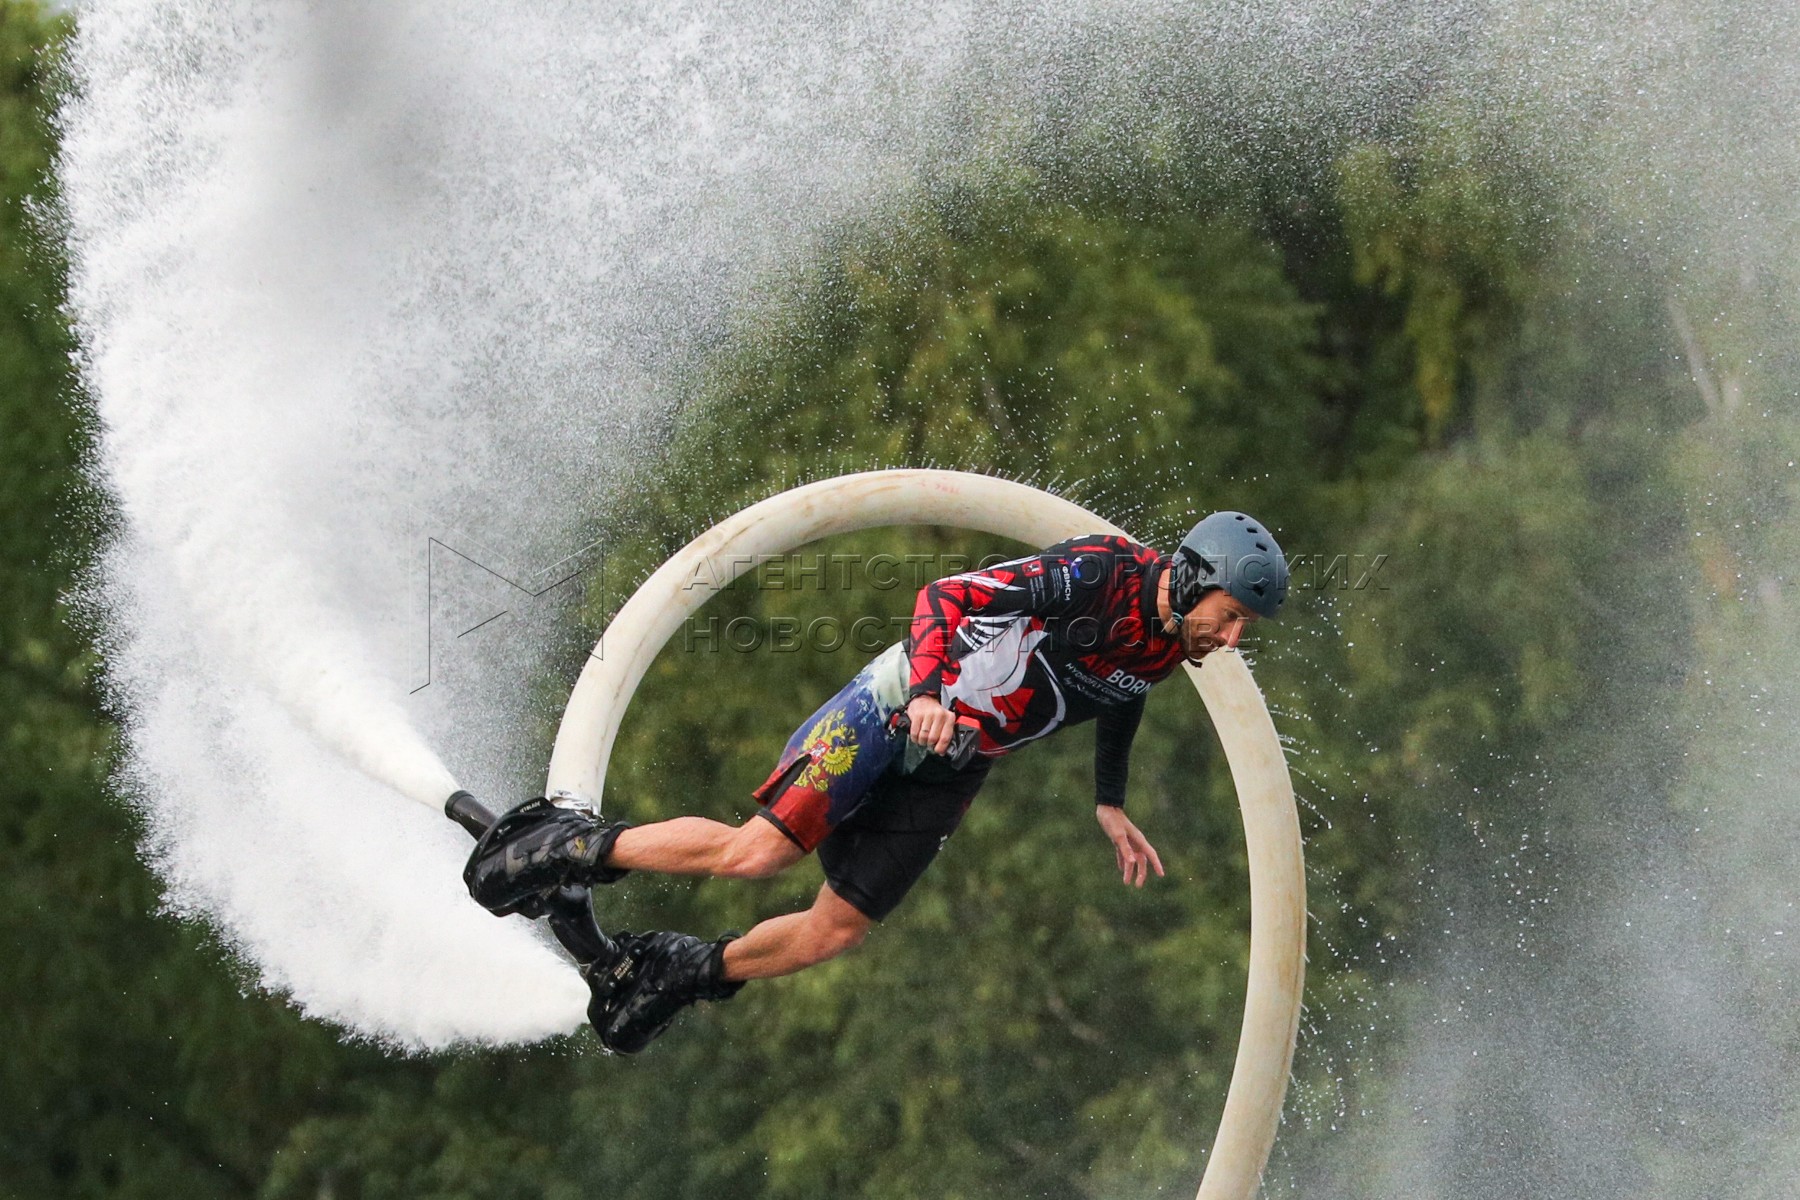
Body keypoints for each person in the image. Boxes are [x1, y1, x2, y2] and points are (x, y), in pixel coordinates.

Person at [464, 511, 1289, 1052]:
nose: (1234, 637)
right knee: (760, 855)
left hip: (957, 762)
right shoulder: (1097, 573)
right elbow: (945, 597)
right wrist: (927, 692)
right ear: (1191, 578)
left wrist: (1110, 801)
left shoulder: (1172, 645)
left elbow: (1121, 695)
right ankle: (570, 844)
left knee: (839, 930)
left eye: (1243, 626)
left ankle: (682, 970)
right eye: (1231, 615)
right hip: (896, 704)